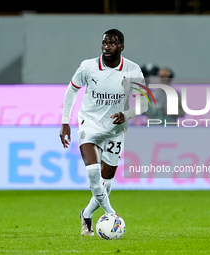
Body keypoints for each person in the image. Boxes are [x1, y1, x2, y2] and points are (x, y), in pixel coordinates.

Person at [60, 29, 148, 236]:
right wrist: (65, 122)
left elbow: (143, 104)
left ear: (121, 47)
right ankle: (112, 214)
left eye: (112, 43)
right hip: (89, 124)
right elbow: (72, 89)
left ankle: (87, 213)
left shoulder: (133, 70)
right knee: (92, 172)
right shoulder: (88, 67)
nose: (107, 46)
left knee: (106, 183)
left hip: (115, 130)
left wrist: (127, 114)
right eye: (104, 43)